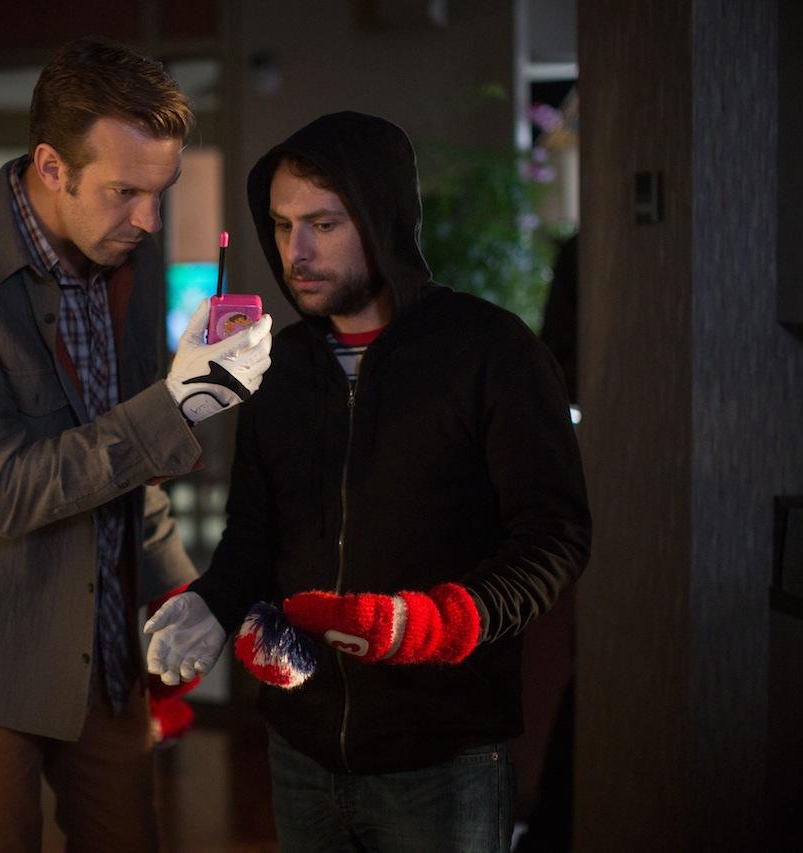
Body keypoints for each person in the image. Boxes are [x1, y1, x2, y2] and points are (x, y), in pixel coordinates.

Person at [144, 112, 590, 852]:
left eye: (323, 224)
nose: (297, 250)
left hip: (443, 758)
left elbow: (555, 535)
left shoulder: (491, 351)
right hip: (300, 750)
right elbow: (253, 536)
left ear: (383, 221)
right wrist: (213, 603)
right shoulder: (276, 368)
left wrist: (440, 622)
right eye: (283, 225)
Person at [0, 37, 272, 852]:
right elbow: (5, 488)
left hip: (105, 645)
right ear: (51, 166)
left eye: (160, 193)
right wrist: (174, 405)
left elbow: (134, 469)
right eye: (125, 192)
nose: (149, 221)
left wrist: (187, 592)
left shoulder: (127, 253)